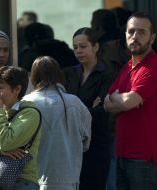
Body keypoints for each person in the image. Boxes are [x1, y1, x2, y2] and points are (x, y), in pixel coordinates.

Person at [104, 12, 157, 190]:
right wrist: (121, 99)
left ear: (152, 37)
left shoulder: (153, 66)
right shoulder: (127, 67)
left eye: (142, 32)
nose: (135, 36)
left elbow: (127, 102)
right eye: (131, 31)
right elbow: (106, 104)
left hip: (144, 159)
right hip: (121, 153)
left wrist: (117, 98)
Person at [23, 56, 91, 190]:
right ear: (59, 74)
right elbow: (86, 142)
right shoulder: (75, 103)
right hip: (68, 178)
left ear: (34, 76)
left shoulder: (26, 102)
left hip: (34, 179)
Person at [63, 27, 114, 190]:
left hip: (96, 145)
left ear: (96, 47)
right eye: (75, 47)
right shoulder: (68, 73)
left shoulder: (107, 74)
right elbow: (61, 106)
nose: (78, 51)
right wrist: (88, 108)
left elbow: (101, 111)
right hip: (70, 145)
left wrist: (72, 111)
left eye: (83, 46)